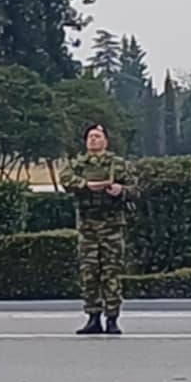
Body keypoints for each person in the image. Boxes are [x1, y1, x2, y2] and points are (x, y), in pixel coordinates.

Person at [62, 123, 137, 335]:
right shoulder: (78, 164)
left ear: (105, 141)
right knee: (89, 273)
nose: (93, 140)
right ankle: (93, 316)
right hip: (88, 227)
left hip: (111, 227)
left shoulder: (118, 164)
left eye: (97, 136)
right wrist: (85, 185)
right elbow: (66, 179)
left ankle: (112, 318)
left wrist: (121, 190)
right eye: (90, 137)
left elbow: (136, 189)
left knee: (111, 273)